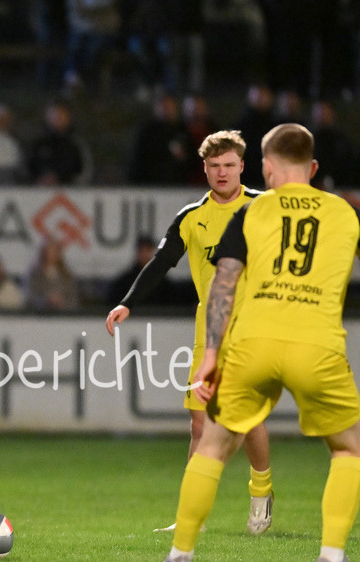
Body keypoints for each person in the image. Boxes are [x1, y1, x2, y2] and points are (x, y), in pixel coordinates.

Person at [152, 123, 360, 562]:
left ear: (266, 168)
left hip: (252, 343)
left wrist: (212, 353)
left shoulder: (251, 213)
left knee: (212, 444)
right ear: (313, 168)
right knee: (348, 447)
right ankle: (331, 559)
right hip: (317, 345)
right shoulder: (345, 213)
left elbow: (224, 284)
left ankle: (178, 558)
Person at [107, 131, 273, 534]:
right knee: (199, 425)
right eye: (215, 166)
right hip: (209, 331)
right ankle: (190, 518)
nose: (222, 172)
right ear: (204, 168)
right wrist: (129, 301)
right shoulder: (191, 217)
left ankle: (261, 493)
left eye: (229, 165)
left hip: (253, 327)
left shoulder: (262, 208)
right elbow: (162, 260)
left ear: (241, 167)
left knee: (247, 420)